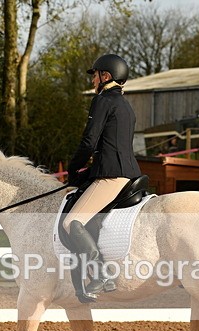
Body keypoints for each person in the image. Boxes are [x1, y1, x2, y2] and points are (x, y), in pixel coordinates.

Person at [64, 53, 142, 300]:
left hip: (111, 176)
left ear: (105, 76)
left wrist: (73, 168)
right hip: (127, 172)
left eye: (94, 75)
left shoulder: (102, 101)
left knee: (70, 222)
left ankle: (100, 273)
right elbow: (112, 147)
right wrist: (88, 172)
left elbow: (89, 142)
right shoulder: (125, 105)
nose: (92, 81)